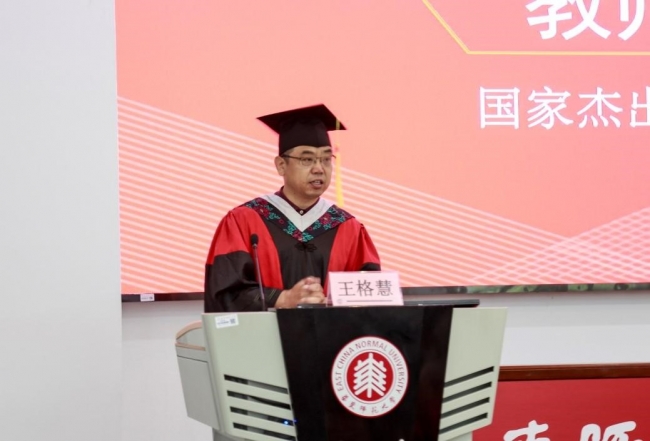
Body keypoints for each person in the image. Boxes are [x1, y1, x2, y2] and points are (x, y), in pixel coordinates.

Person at [204, 104, 381, 312]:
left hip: (329, 333)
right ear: (281, 165)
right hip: (267, 333)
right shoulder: (243, 220)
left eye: (326, 159)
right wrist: (282, 299)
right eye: (307, 159)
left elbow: (371, 299)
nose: (319, 169)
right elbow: (224, 293)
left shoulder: (349, 228)